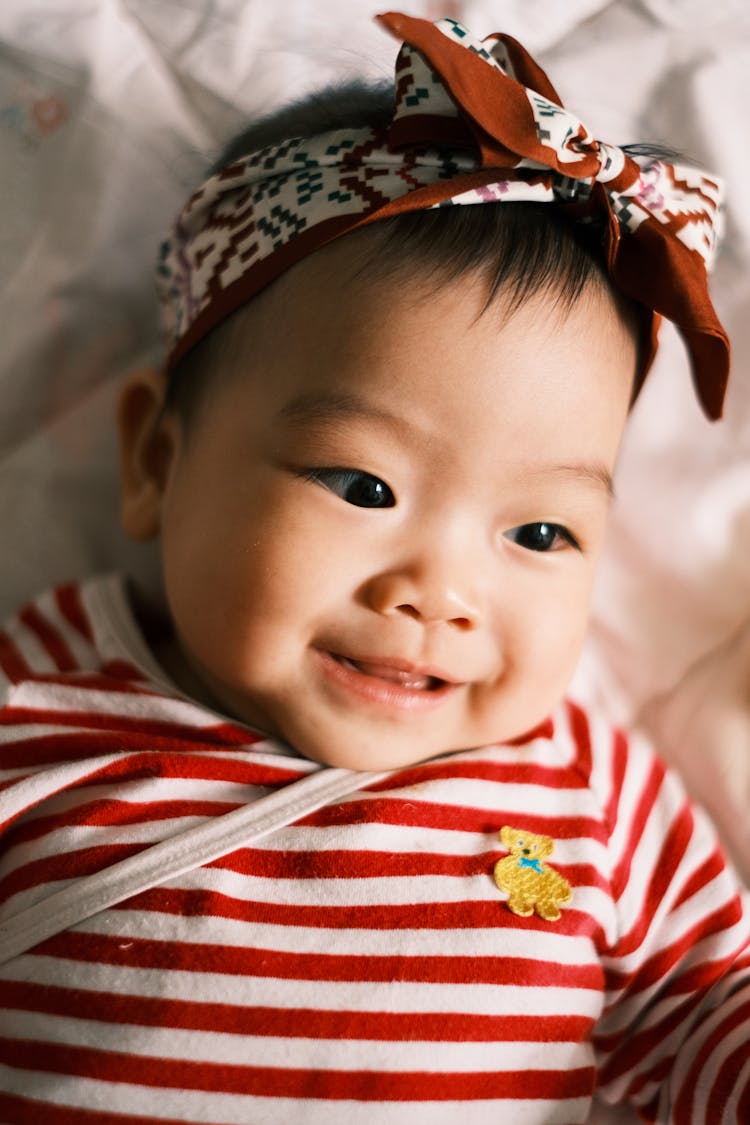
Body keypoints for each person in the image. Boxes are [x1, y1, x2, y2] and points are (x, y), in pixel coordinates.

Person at [0, 11, 746, 1124]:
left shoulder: (592, 793)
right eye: (363, 486)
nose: (440, 594)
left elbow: (706, 1013)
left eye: (539, 534)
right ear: (159, 457)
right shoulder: (41, 701)